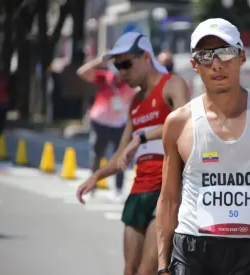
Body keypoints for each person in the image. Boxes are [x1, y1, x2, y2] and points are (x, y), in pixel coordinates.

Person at [156, 18, 250, 275]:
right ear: (195, 65)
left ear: (242, 57)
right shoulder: (178, 123)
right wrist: (163, 266)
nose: (217, 64)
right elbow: (169, 198)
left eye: (226, 52)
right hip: (192, 249)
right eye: (206, 56)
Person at [75, 32, 189, 275]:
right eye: (117, 66)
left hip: (166, 192)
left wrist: (143, 136)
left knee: (146, 271)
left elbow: (184, 122)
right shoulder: (135, 102)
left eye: (126, 64)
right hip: (139, 192)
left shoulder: (172, 84)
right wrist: (95, 177)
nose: (122, 72)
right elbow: (120, 158)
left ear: (146, 57)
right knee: (129, 270)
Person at [77, 55, 136, 200]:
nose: (118, 74)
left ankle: (118, 189)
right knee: (97, 155)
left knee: (120, 157)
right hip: (100, 122)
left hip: (119, 124)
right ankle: (92, 188)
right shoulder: (104, 78)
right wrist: (99, 61)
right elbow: (81, 72)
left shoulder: (131, 83)